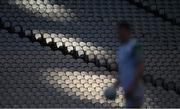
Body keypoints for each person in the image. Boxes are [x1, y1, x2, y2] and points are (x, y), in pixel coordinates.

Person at [114, 21, 144, 108]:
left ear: (128, 32)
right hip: (127, 89)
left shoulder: (134, 45)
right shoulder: (120, 49)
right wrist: (115, 85)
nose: (120, 34)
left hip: (135, 88)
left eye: (122, 32)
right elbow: (123, 71)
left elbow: (141, 66)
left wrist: (132, 85)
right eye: (119, 32)